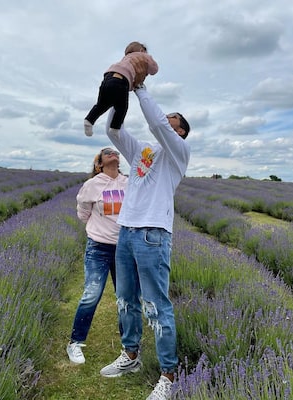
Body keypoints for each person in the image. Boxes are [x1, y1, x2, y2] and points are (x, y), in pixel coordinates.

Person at [99, 84, 191, 400]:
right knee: (125, 299)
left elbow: (157, 124)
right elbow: (114, 132)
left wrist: (139, 87)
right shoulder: (144, 151)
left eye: (171, 121)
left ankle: (168, 375)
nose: (165, 121)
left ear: (179, 132)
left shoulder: (178, 153)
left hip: (153, 234)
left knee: (155, 304)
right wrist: (117, 91)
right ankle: (131, 356)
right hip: (126, 231)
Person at [66, 147, 128, 364]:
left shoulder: (128, 182)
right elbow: (83, 213)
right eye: (107, 152)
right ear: (99, 164)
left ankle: (129, 347)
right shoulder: (92, 185)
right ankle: (75, 342)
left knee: (126, 298)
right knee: (92, 294)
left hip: (124, 250)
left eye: (115, 152)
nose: (113, 153)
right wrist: (99, 229)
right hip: (99, 248)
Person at [84, 41, 158, 137]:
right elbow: (154, 69)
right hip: (121, 81)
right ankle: (114, 128)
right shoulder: (142, 55)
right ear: (142, 50)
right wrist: (150, 65)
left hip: (107, 78)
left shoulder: (125, 59)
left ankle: (89, 120)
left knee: (102, 104)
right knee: (122, 107)